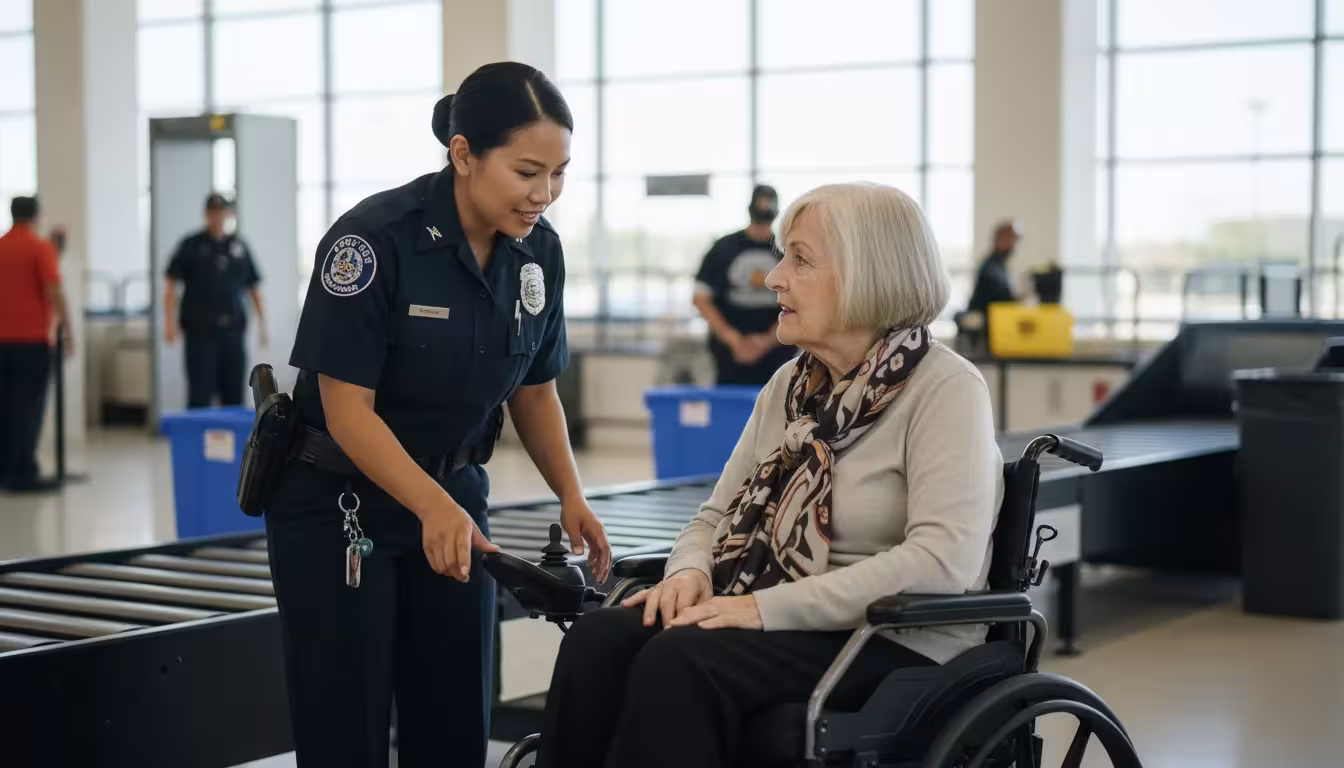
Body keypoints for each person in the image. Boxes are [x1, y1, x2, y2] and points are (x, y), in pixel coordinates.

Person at [538, 183, 1004, 768]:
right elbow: (715, 515)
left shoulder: (945, 388)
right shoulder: (790, 386)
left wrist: (764, 609)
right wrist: (687, 571)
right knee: (598, 640)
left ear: (869, 274)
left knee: (680, 659)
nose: (773, 277)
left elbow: (943, 562)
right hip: (785, 615)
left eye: (800, 259)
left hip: (895, 637)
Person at [265, 62, 611, 768]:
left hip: (452, 501)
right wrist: (430, 506)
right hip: (340, 506)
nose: (544, 194)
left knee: (454, 715)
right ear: (463, 155)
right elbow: (347, 409)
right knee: (346, 724)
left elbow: (535, 390)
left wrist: (570, 493)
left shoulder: (538, 254)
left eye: (559, 173)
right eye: (525, 172)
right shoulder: (371, 243)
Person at [163, 192, 267, 408]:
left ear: (228, 215)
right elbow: (171, 285)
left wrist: (262, 324)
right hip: (200, 333)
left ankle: (231, 441)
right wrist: (169, 323)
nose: (217, 218)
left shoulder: (238, 247)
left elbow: (253, 287)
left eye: (222, 213)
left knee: (233, 396)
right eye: (213, 213)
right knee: (200, 394)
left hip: (232, 332)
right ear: (206, 215)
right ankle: (199, 440)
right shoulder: (190, 246)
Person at [0, 196, 72, 493]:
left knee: (4, 408)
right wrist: (68, 329)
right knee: (28, 409)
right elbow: (53, 289)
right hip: (31, 342)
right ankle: (23, 473)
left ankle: (4, 470)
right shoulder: (40, 247)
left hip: (1, 343)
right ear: (36, 215)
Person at [692, 184, 797, 385]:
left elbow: (802, 301)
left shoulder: (787, 250)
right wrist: (734, 340)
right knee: (731, 409)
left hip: (778, 352)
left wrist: (766, 341)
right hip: (729, 353)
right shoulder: (725, 248)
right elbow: (700, 298)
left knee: (776, 408)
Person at [956, 219, 1023, 353]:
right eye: (1012, 241)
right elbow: (999, 298)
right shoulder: (992, 267)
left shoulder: (999, 266)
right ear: (1001, 240)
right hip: (983, 322)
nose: (1014, 246)